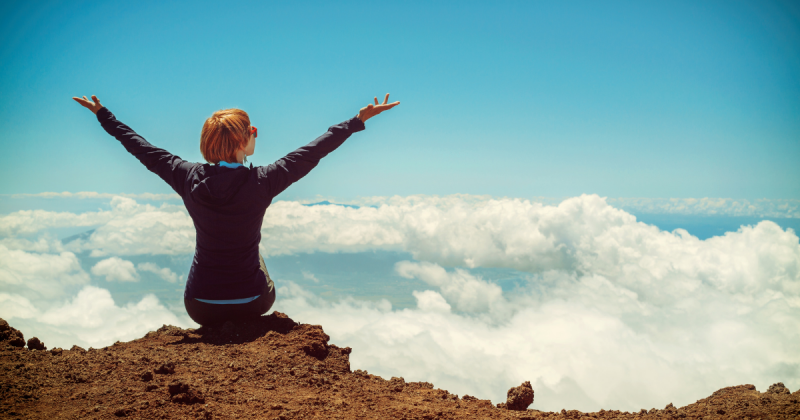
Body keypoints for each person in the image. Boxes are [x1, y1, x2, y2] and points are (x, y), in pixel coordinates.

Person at [72, 94, 400, 326]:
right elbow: (314, 151)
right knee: (254, 253)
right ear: (242, 142)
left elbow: (138, 145)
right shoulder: (266, 180)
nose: (256, 134)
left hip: (200, 306)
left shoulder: (184, 175)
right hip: (253, 303)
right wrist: (357, 121)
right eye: (252, 131)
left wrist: (104, 114)